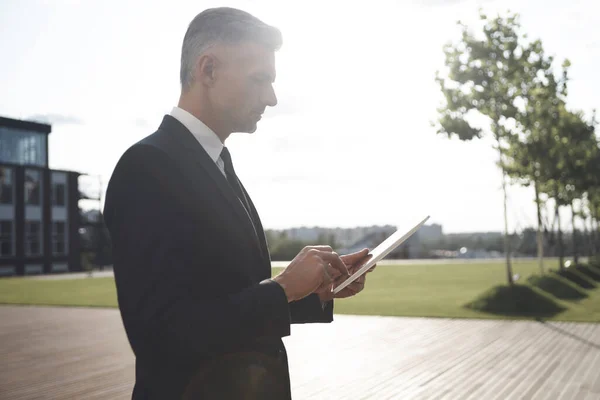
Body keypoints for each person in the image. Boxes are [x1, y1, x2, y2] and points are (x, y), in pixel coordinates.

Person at [103, 7, 375, 399]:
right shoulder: (148, 167)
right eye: (260, 79)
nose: (273, 97)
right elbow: (161, 335)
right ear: (208, 70)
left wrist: (312, 292)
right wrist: (281, 289)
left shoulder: (216, 162)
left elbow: (227, 296)